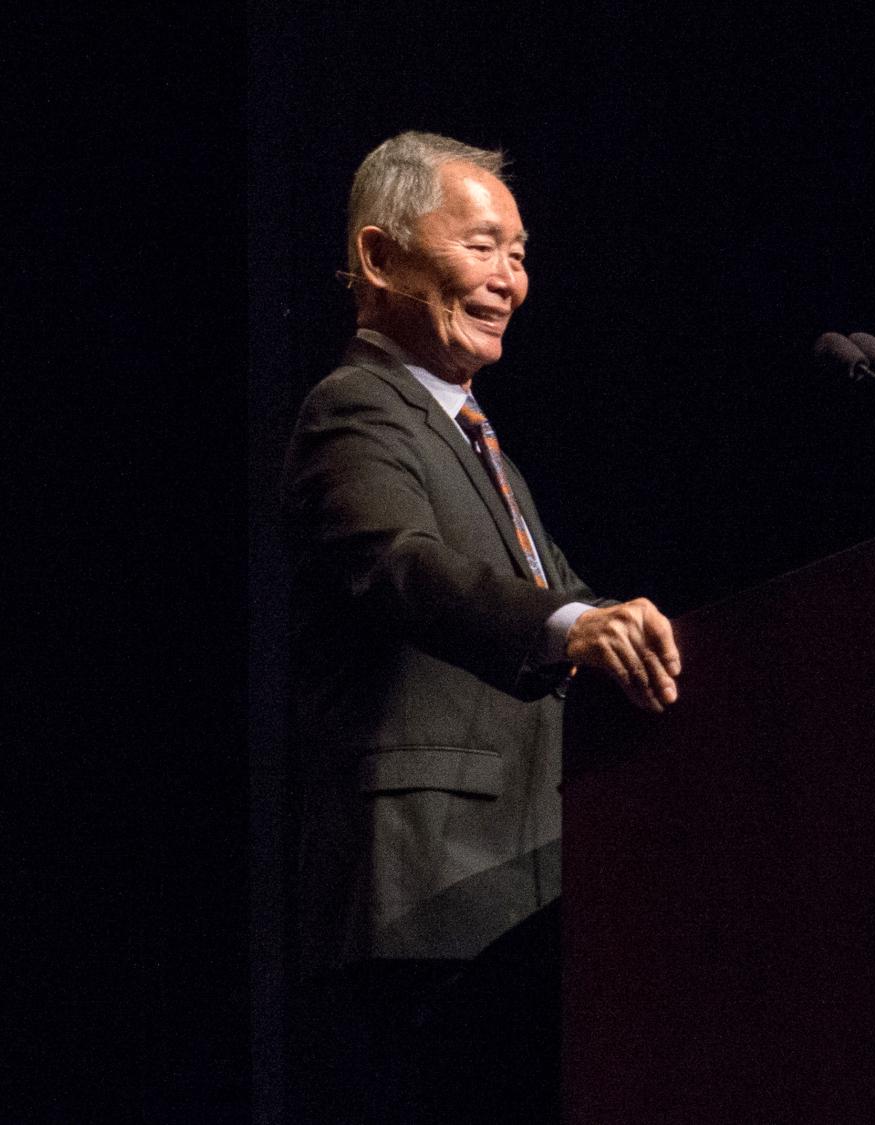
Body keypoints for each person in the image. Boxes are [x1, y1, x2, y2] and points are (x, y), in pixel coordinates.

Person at [281, 130, 680, 1122]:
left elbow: (565, 601)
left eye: (521, 254)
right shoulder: (354, 412)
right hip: (427, 903)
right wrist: (576, 625)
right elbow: (405, 568)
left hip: (526, 902)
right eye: (484, 246)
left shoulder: (477, 439)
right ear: (379, 258)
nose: (511, 279)